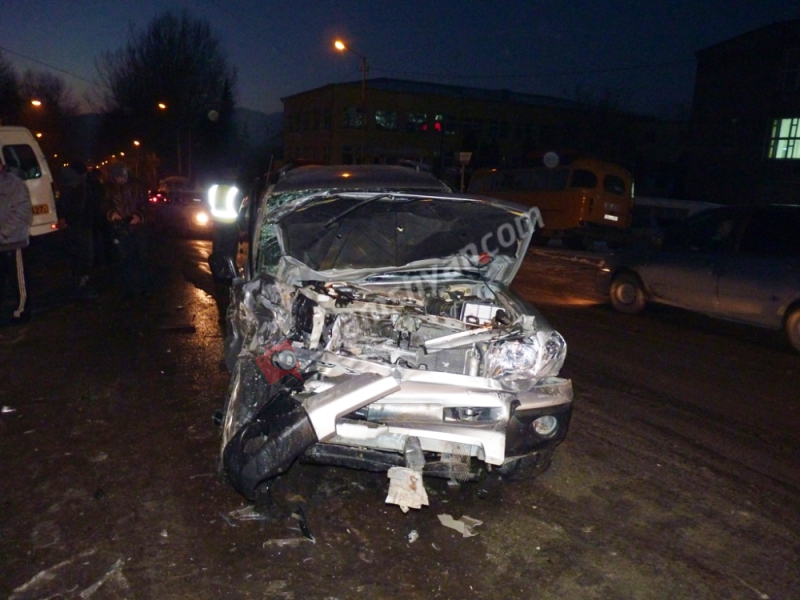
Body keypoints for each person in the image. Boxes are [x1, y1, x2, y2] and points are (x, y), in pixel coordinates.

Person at [103, 163, 149, 297]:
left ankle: (142, 287)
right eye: (118, 177)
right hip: (120, 229)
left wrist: (139, 216)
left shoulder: (137, 186)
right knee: (123, 258)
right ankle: (127, 288)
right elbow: (104, 204)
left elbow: (146, 205)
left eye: (123, 176)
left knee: (140, 258)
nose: (121, 179)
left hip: (137, 228)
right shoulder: (108, 188)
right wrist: (111, 213)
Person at [0, 161, 34, 324]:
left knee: (19, 281)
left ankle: (22, 311)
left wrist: (4, 232)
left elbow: (23, 212)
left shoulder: (13, 184)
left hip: (13, 242)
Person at [58, 161, 97, 298]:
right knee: (83, 255)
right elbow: (79, 207)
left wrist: (64, 219)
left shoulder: (67, 184)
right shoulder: (80, 185)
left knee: (76, 256)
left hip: (73, 226)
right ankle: (81, 284)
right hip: (81, 226)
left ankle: (78, 283)